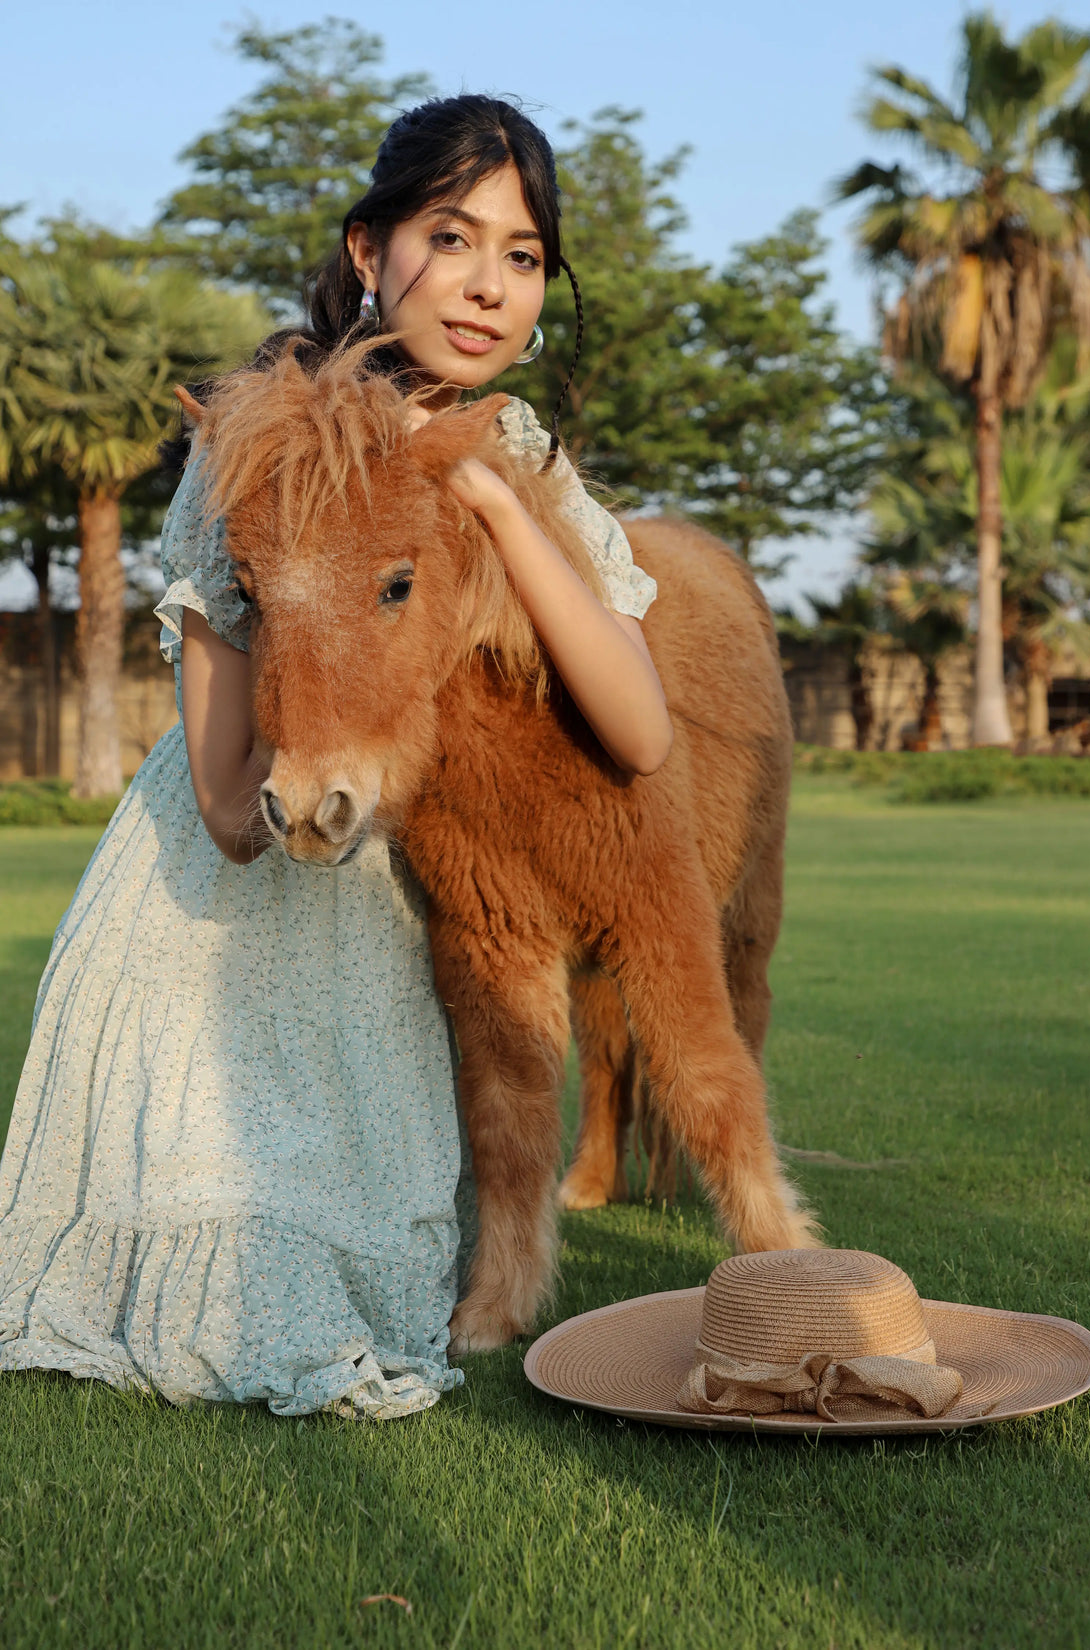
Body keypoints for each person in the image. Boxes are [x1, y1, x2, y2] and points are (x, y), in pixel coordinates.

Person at [0, 95, 672, 1420]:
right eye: (453, 236)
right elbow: (225, 801)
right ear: (369, 252)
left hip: (400, 904)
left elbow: (639, 728)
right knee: (239, 1266)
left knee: (381, 1258)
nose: (489, 286)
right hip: (228, 903)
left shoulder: (515, 449)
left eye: (524, 256)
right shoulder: (258, 435)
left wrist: (477, 488)